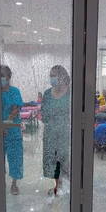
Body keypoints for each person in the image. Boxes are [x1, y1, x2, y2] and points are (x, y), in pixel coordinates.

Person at [41, 65, 71, 196]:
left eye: (54, 76)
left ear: (62, 77)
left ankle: (67, 185)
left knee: (65, 158)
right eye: (50, 76)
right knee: (53, 159)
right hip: (50, 132)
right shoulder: (47, 94)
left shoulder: (71, 93)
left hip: (66, 132)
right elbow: (43, 112)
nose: (52, 78)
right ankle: (57, 185)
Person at [1, 65, 24, 195]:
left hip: (13, 129)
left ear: (9, 77)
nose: (0, 79)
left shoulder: (14, 91)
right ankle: (0, 180)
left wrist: (8, 121)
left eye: (3, 76)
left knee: (15, 158)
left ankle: (14, 184)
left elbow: (16, 107)